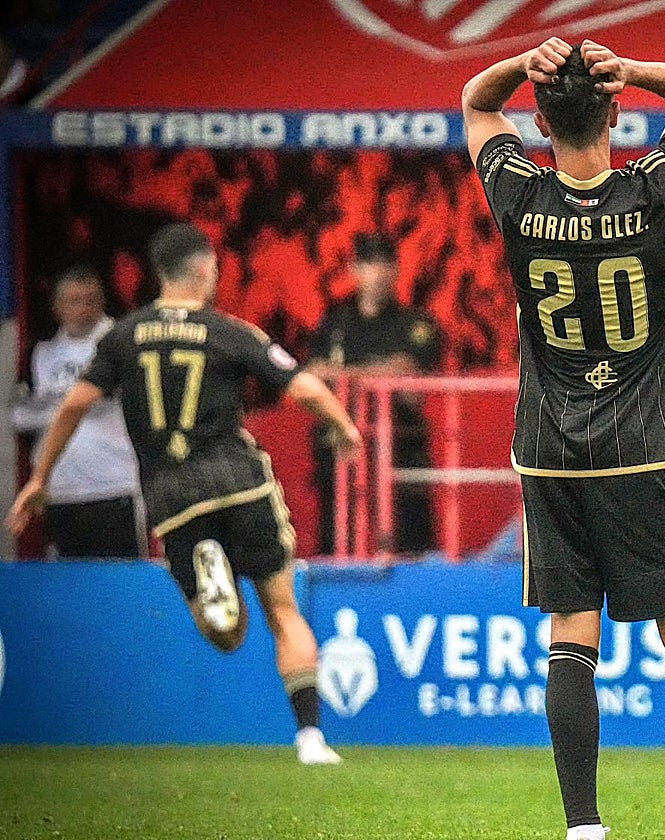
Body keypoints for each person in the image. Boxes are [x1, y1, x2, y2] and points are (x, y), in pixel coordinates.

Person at [463, 37, 665, 840]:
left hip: (549, 451)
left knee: (571, 634)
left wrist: (520, 65)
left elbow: (475, 103)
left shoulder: (520, 197)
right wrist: (634, 69)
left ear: (540, 121)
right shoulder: (654, 190)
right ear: (617, 112)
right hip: (641, 449)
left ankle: (584, 829)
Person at [6, 223, 363, 766]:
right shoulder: (228, 332)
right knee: (283, 610)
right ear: (203, 270)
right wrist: (345, 428)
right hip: (240, 483)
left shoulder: (124, 336)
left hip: (172, 498)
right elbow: (306, 387)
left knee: (227, 636)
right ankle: (311, 738)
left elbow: (74, 404)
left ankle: (215, 578)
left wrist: (39, 479)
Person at [307, 232, 441, 555]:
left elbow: (406, 375)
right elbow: (312, 374)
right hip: (343, 452)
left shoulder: (415, 324)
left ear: (396, 270)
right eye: (369, 264)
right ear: (354, 270)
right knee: (336, 542)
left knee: (411, 547)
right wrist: (374, 372)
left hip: (401, 451)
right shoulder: (335, 323)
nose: (378, 273)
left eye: (385, 264)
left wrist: (343, 374)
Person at [11, 267, 143, 558]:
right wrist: (71, 404)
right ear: (57, 307)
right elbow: (18, 415)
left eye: (91, 300)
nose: (83, 309)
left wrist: (62, 402)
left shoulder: (122, 341)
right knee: (67, 574)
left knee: (121, 573)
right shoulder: (41, 352)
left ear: (103, 302)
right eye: (74, 301)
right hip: (59, 488)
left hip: (115, 484)